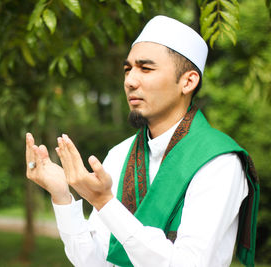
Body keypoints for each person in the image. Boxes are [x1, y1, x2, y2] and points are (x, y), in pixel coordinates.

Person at [25, 15, 259, 267]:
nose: (130, 81)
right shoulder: (120, 154)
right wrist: (62, 196)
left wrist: (105, 203)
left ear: (188, 81)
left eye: (146, 69)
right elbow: (94, 262)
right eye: (128, 69)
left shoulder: (218, 161)